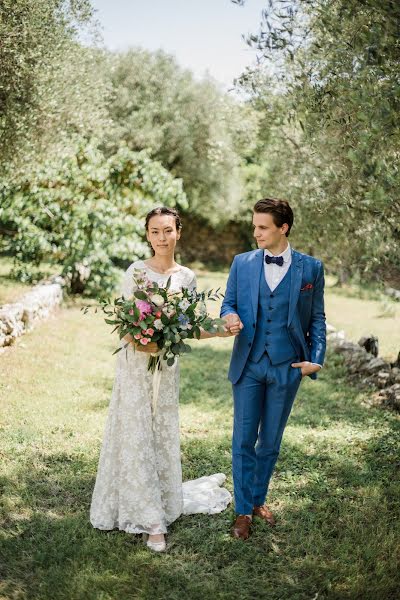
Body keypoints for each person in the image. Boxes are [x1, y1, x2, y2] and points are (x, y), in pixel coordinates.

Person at [90, 207, 234, 552]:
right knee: (136, 431)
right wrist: (148, 340)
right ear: (148, 235)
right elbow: (126, 327)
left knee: (161, 430)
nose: (162, 237)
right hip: (135, 366)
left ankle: (159, 500)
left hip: (165, 369)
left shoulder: (187, 277)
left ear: (178, 232)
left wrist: (219, 331)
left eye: (168, 230)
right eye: (155, 231)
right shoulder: (136, 272)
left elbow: (192, 326)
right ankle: (151, 520)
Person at [221, 198, 326, 540]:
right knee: (243, 440)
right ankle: (242, 511)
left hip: (287, 366)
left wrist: (315, 358)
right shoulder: (242, 263)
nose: (256, 233)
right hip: (249, 364)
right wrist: (229, 315)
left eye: (263, 227)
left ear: (284, 228)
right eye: (255, 226)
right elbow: (229, 301)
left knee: (270, 442)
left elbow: (318, 318)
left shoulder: (311, 268)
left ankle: (257, 500)